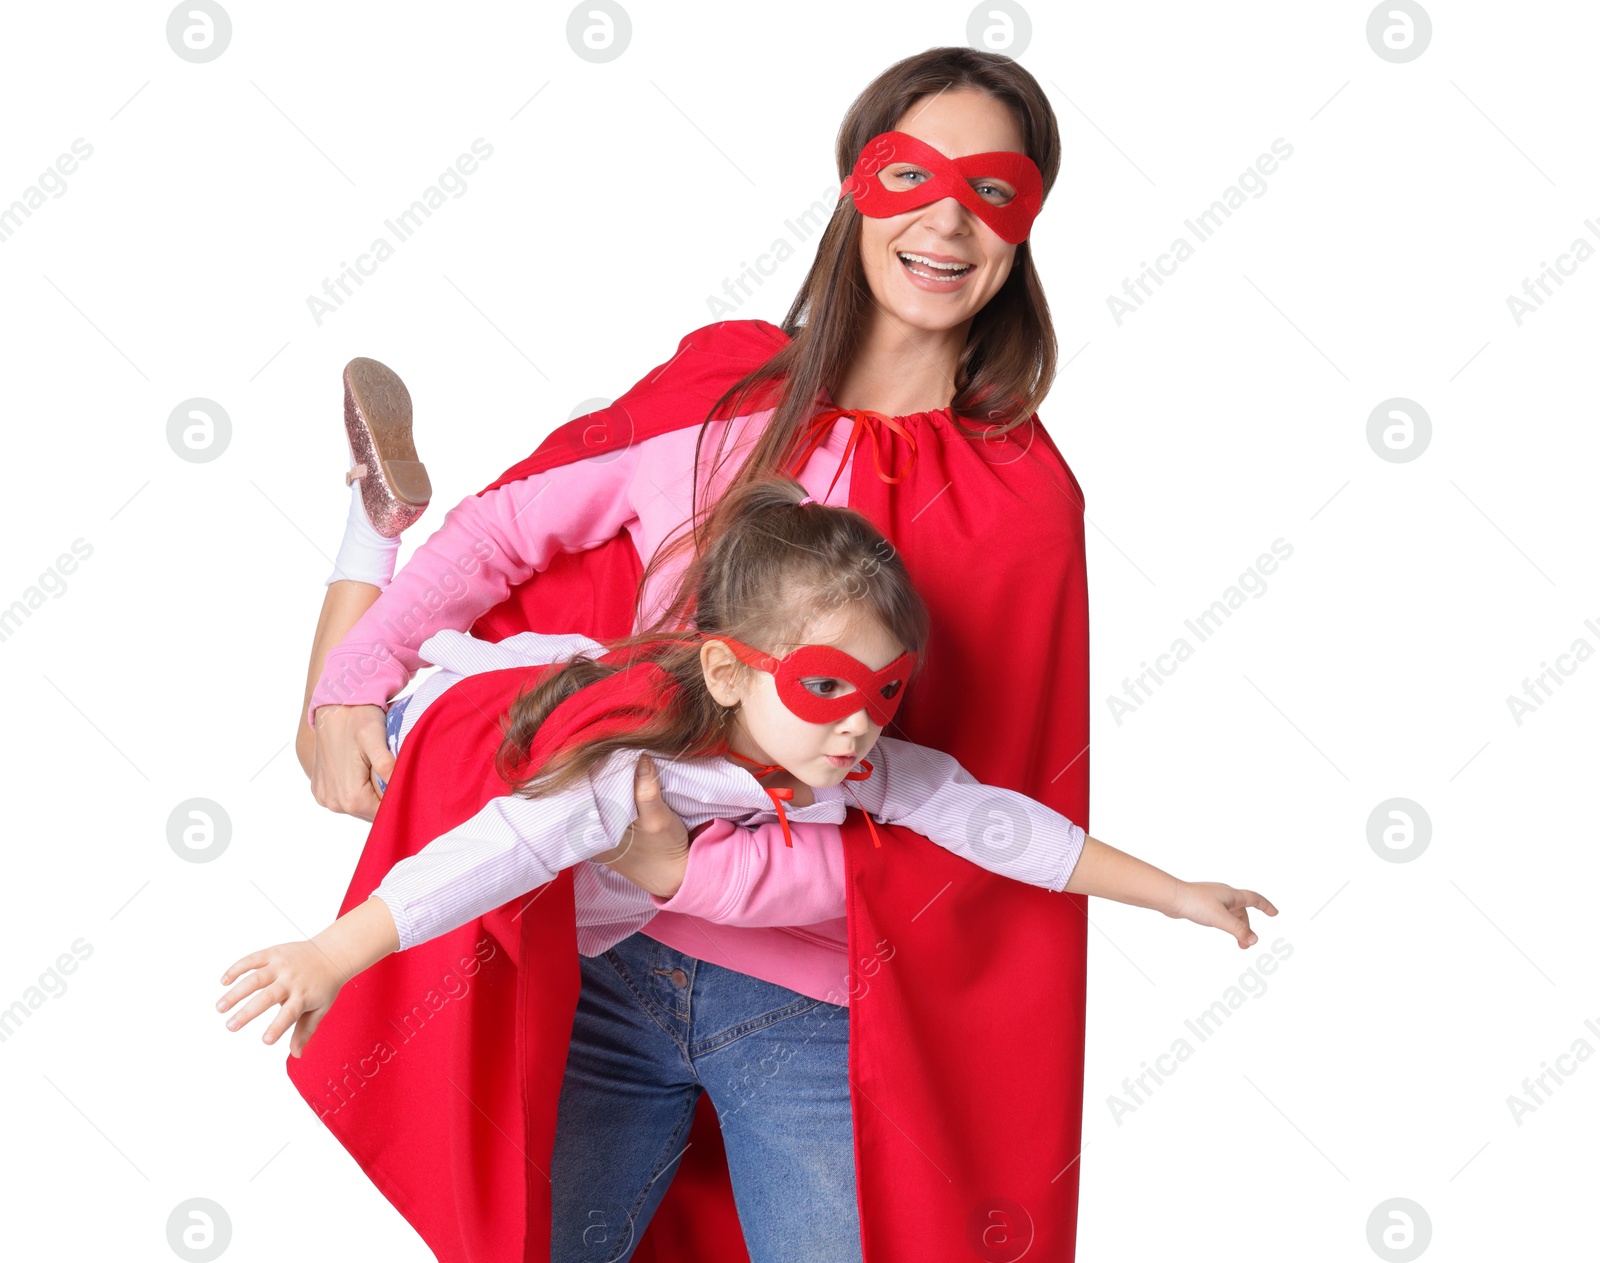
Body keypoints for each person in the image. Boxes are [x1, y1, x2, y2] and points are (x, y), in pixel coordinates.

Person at [273, 46, 1258, 1263]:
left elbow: (967, 843)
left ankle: (368, 544)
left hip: (813, 1010)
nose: (945, 219)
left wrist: (686, 869)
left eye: (991, 190)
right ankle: (368, 534)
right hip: (607, 969)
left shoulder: (1017, 501)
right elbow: (507, 529)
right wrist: (350, 683)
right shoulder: (724, 390)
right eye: (912, 174)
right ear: (857, 185)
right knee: (368, 752)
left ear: (1028, 224)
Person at [227, 477, 1273, 1258]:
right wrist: (329, 954)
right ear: (729, 672)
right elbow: (478, 856)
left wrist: (1177, 893)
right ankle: (372, 523)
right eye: (826, 687)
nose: (861, 724)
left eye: (887, 692)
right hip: (466, 717)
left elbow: (993, 824)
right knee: (346, 744)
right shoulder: (629, 769)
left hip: (758, 989)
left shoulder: (845, 753)